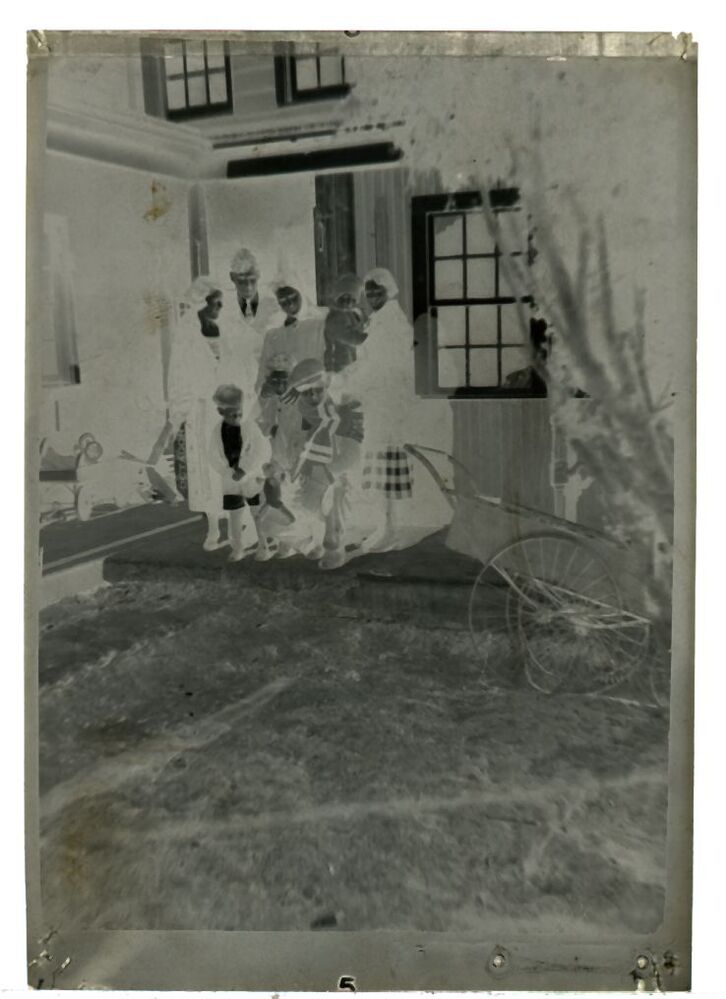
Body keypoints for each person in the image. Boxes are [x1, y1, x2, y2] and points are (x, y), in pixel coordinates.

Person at [347, 267, 420, 552]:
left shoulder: (391, 321)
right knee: (381, 464)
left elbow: (384, 366)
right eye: (369, 292)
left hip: (388, 402)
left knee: (385, 464)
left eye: (378, 291)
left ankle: (388, 528)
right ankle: (385, 526)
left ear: (389, 291)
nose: (373, 296)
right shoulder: (378, 320)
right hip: (379, 401)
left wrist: (356, 384)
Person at [277, 358, 364, 569]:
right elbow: (298, 442)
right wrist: (299, 466)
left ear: (326, 385)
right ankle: (316, 540)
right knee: (302, 501)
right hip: (312, 466)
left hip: (340, 466)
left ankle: (334, 546)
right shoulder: (301, 411)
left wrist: (331, 470)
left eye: (318, 389)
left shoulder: (344, 409)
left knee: (333, 496)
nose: (313, 396)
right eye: (306, 392)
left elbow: (353, 449)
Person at [167, 277, 229, 551]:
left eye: (221, 302)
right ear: (199, 303)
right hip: (202, 408)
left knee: (234, 461)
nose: (219, 307)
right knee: (207, 467)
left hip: (230, 404)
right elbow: (177, 374)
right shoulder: (186, 333)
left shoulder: (225, 328)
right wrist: (180, 410)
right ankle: (213, 526)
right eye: (215, 302)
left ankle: (242, 523)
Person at [208, 384, 272, 562]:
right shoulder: (217, 431)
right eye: (232, 414)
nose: (237, 417)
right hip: (230, 481)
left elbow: (259, 450)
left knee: (257, 512)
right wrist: (226, 471)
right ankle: (238, 547)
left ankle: (264, 545)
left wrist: (245, 469)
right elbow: (212, 456)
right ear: (221, 411)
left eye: (240, 412)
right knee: (234, 515)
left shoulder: (250, 427)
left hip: (251, 477)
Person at [225, 248, 279, 404]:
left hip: (268, 387)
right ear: (232, 277)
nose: (248, 286)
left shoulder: (273, 305)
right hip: (235, 389)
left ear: (259, 276)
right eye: (242, 280)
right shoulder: (223, 309)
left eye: (252, 279)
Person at [255, 278, 326, 395]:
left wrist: (301, 387)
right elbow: (264, 371)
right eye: (283, 301)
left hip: (315, 393)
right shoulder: (273, 335)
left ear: (301, 294)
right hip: (284, 396)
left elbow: (329, 366)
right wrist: (265, 388)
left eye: (294, 298)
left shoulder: (320, 325)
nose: (290, 304)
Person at [322, 273, 369, 384]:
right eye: (343, 298)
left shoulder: (354, 312)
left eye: (352, 299)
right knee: (344, 386)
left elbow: (365, 324)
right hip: (339, 363)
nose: (347, 302)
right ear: (336, 298)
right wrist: (370, 336)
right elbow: (350, 337)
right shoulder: (335, 317)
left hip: (353, 359)